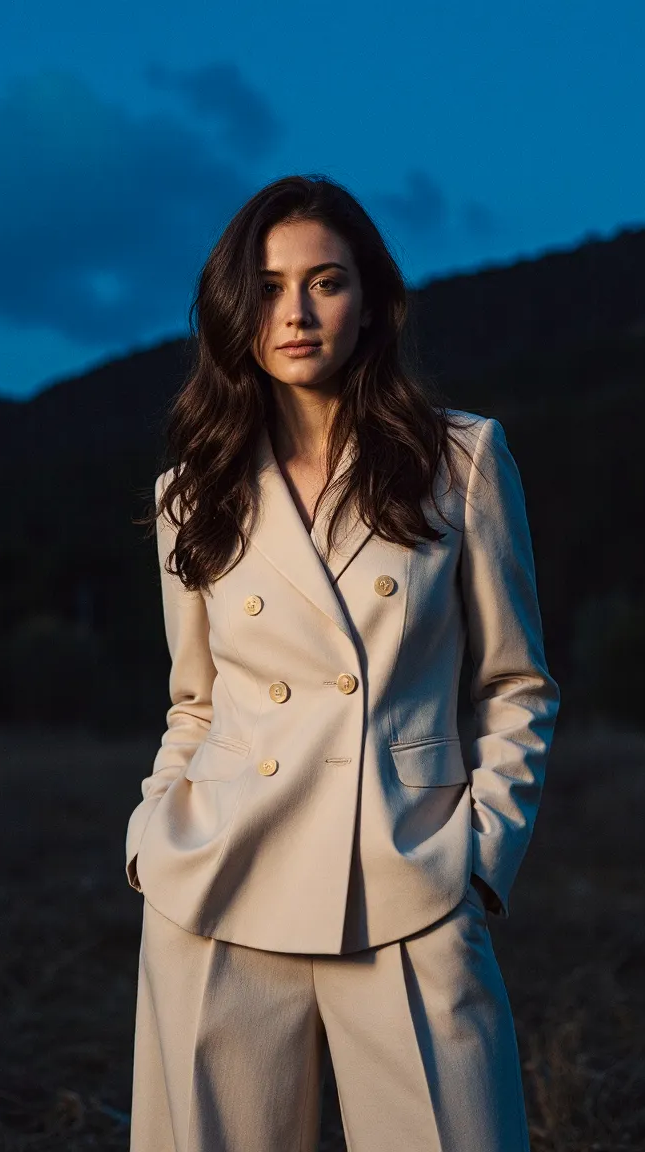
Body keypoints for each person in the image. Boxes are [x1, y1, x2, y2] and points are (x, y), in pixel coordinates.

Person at [125, 173, 560, 1151]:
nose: (296, 310)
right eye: (270, 285)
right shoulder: (188, 493)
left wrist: (479, 856)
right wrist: (151, 839)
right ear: (236, 308)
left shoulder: (463, 462)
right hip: (218, 887)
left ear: (368, 302)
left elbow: (512, 684)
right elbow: (192, 702)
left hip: (406, 878)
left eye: (324, 282)